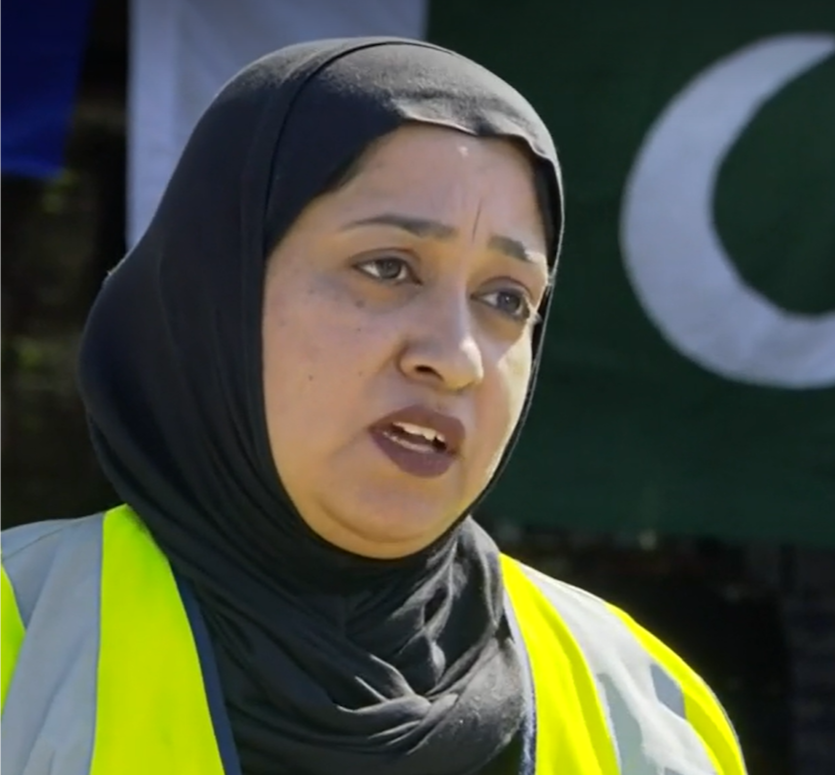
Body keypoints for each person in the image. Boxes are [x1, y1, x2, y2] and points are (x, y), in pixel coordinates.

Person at [0, 38, 744, 775]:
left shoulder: (643, 707)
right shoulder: (21, 643)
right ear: (217, 296)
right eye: (387, 267)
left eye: (506, 299)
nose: (456, 357)